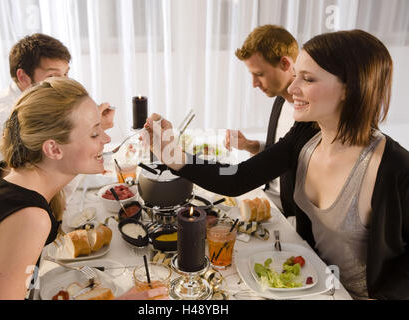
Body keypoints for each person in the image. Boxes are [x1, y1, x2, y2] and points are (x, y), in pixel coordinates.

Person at [144, 30, 409, 299]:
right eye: (296, 76)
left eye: (307, 79)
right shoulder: (306, 134)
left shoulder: (395, 167)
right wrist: (173, 156)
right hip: (308, 283)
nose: (292, 89)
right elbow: (238, 177)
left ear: (350, 88)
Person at [0, 77, 166, 300]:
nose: (106, 138)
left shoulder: (9, 171)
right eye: (94, 133)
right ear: (53, 149)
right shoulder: (30, 218)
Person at [0, 33, 115, 210]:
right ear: (23, 77)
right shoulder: (2, 123)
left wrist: (91, 128)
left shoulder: (33, 105)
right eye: (53, 77)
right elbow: (47, 190)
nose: (63, 84)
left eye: (66, 74)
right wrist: (89, 132)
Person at [224, 25, 298, 212]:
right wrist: (251, 145)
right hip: (269, 200)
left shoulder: (310, 114)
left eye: (259, 74)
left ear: (285, 64)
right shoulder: (280, 100)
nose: (254, 84)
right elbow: (280, 153)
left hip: (291, 214)